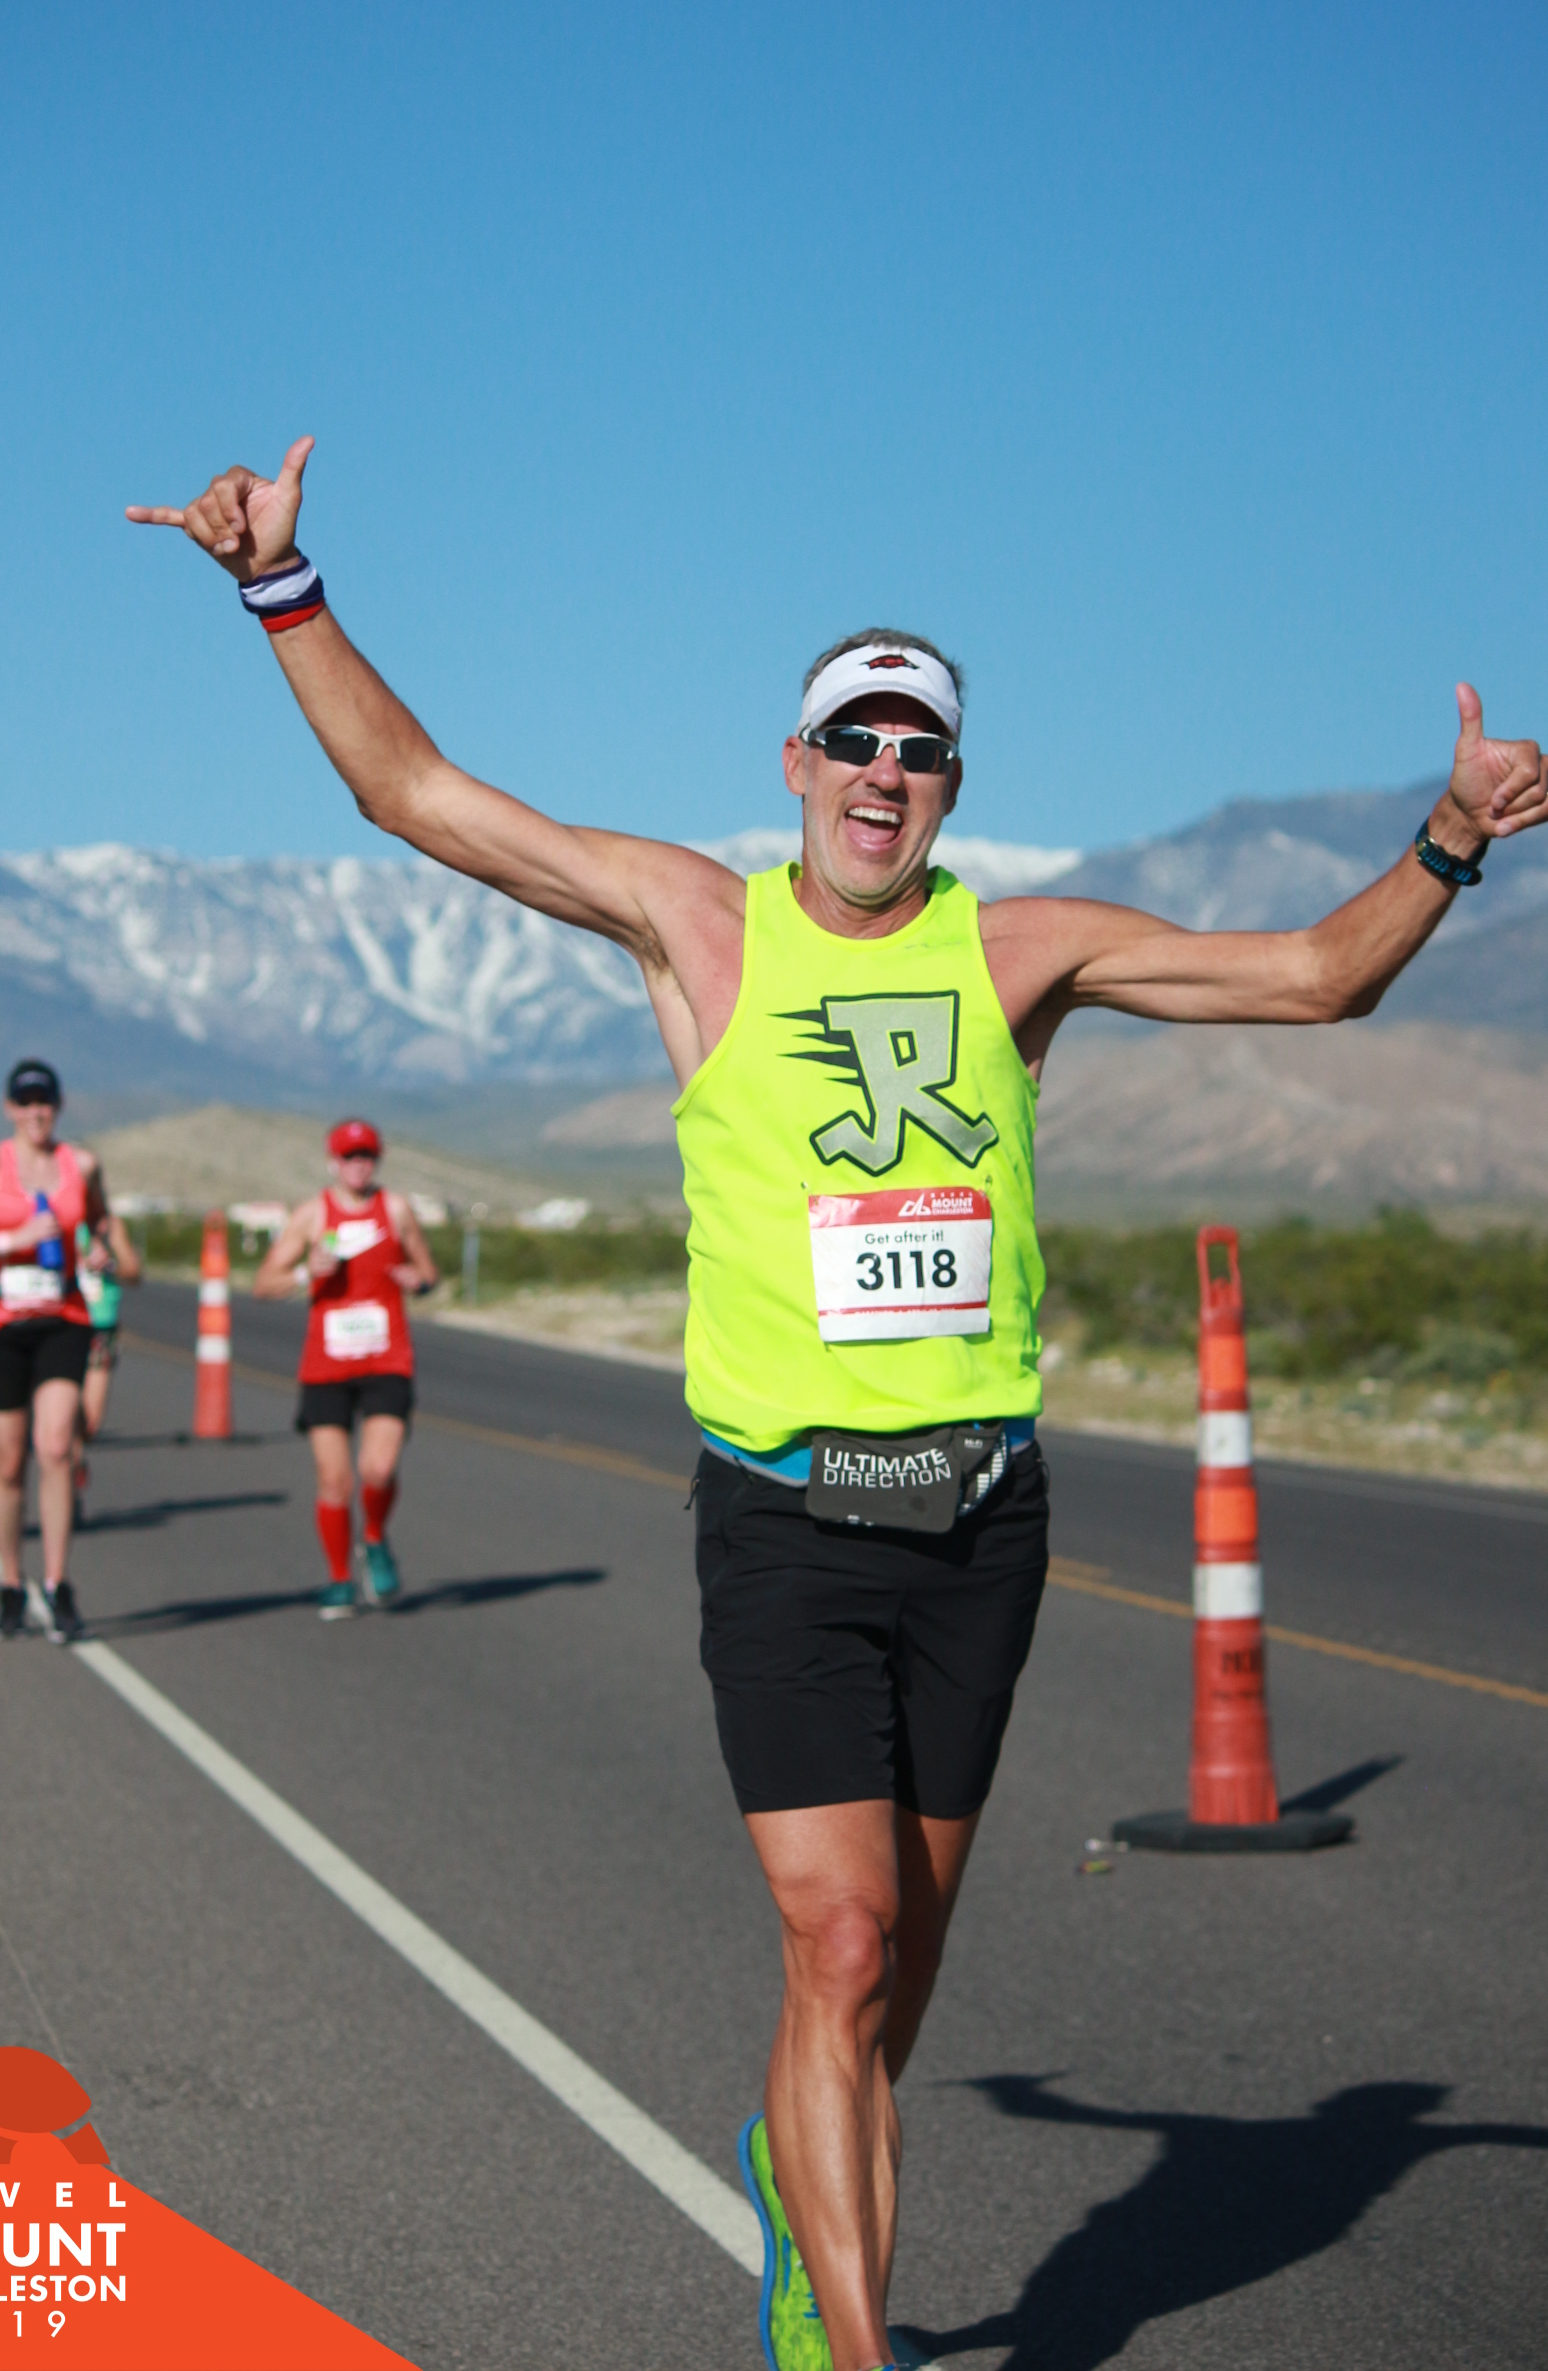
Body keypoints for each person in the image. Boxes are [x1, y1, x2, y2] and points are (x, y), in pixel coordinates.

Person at [131, 441, 1546, 2371]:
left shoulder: (1021, 949)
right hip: (786, 1521)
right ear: (793, 761)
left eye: (919, 747)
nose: (884, 770)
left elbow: (1312, 978)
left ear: (950, 781)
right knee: (841, 1938)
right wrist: (281, 590)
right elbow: (418, 795)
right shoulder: (693, 921)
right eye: (853, 739)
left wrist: (1449, 837)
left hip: (978, 1525)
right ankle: (850, 2333)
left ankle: (800, 2173)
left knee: (897, 1978)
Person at [0, 1059, 113, 1645]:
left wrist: (99, 1250)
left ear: (58, 1107)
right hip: (0, 1322)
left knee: (56, 1447)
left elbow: (100, 1223)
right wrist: (12, 1239)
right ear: (10, 1109)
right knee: (9, 1461)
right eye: (26, 1103)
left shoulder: (81, 1164)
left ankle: (58, 1584)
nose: (37, 1113)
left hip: (63, 1318)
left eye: (45, 1102)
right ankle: (11, 1583)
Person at [253, 1119, 438, 1617]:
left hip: (386, 1358)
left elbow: (428, 1271)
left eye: (367, 1156)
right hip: (327, 1366)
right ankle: (339, 1579)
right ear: (332, 1162)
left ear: (377, 1160)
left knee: (378, 1468)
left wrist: (416, 1280)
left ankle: (373, 1537)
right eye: (350, 1157)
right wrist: (304, 1272)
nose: (359, 1165)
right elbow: (263, 1283)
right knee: (335, 1480)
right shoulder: (313, 1214)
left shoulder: (395, 1210)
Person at [72, 1208, 145, 1512]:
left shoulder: (110, 1225)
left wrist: (110, 1262)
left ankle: (75, 1458)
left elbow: (134, 1273)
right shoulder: (57, 1217)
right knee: (63, 1414)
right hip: (63, 1324)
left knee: (90, 1421)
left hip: (100, 1328)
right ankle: (69, 1491)